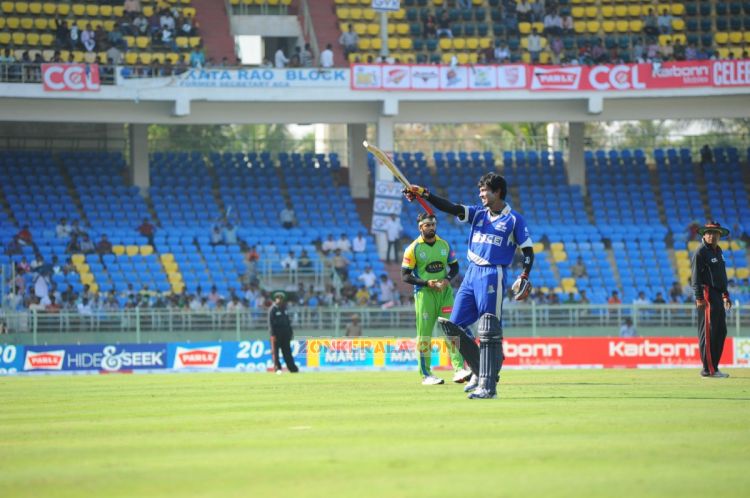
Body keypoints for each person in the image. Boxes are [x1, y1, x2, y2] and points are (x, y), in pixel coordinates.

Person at [405, 173, 534, 399]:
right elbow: (451, 208)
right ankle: (480, 367)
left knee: (488, 328)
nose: (481, 194)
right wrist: (424, 194)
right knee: (452, 326)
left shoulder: (514, 220)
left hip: (493, 274)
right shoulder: (478, 214)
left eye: (485, 190)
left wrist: (524, 274)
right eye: (480, 190)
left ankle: (487, 384)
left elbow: (528, 251)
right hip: (472, 273)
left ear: (498, 192)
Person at [402, 212, 472, 386]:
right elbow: (405, 276)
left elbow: (455, 267)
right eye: (427, 225)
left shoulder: (444, 245)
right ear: (420, 227)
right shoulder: (413, 248)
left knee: (452, 331)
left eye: (433, 225)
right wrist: (427, 283)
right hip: (425, 294)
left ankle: (459, 370)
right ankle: (426, 374)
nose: (431, 228)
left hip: (445, 293)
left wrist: (447, 280)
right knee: (424, 335)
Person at [691, 221, 732, 378]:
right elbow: (695, 277)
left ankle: (714, 366)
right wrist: (699, 297)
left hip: (717, 295)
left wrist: (725, 294)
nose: (711, 236)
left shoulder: (718, 251)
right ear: (703, 235)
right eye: (708, 233)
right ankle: (708, 370)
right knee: (709, 332)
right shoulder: (701, 252)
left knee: (721, 331)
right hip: (706, 295)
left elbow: (721, 275)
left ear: (719, 235)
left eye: (715, 233)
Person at [268, 292, 299, 374]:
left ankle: (292, 368)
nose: (280, 299)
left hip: (285, 334)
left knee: (287, 351)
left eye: (281, 298)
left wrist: (290, 332)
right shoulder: (272, 309)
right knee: (275, 352)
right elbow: (270, 324)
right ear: (275, 299)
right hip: (276, 334)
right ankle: (277, 368)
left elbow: (288, 322)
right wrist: (272, 335)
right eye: (278, 298)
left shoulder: (284, 309)